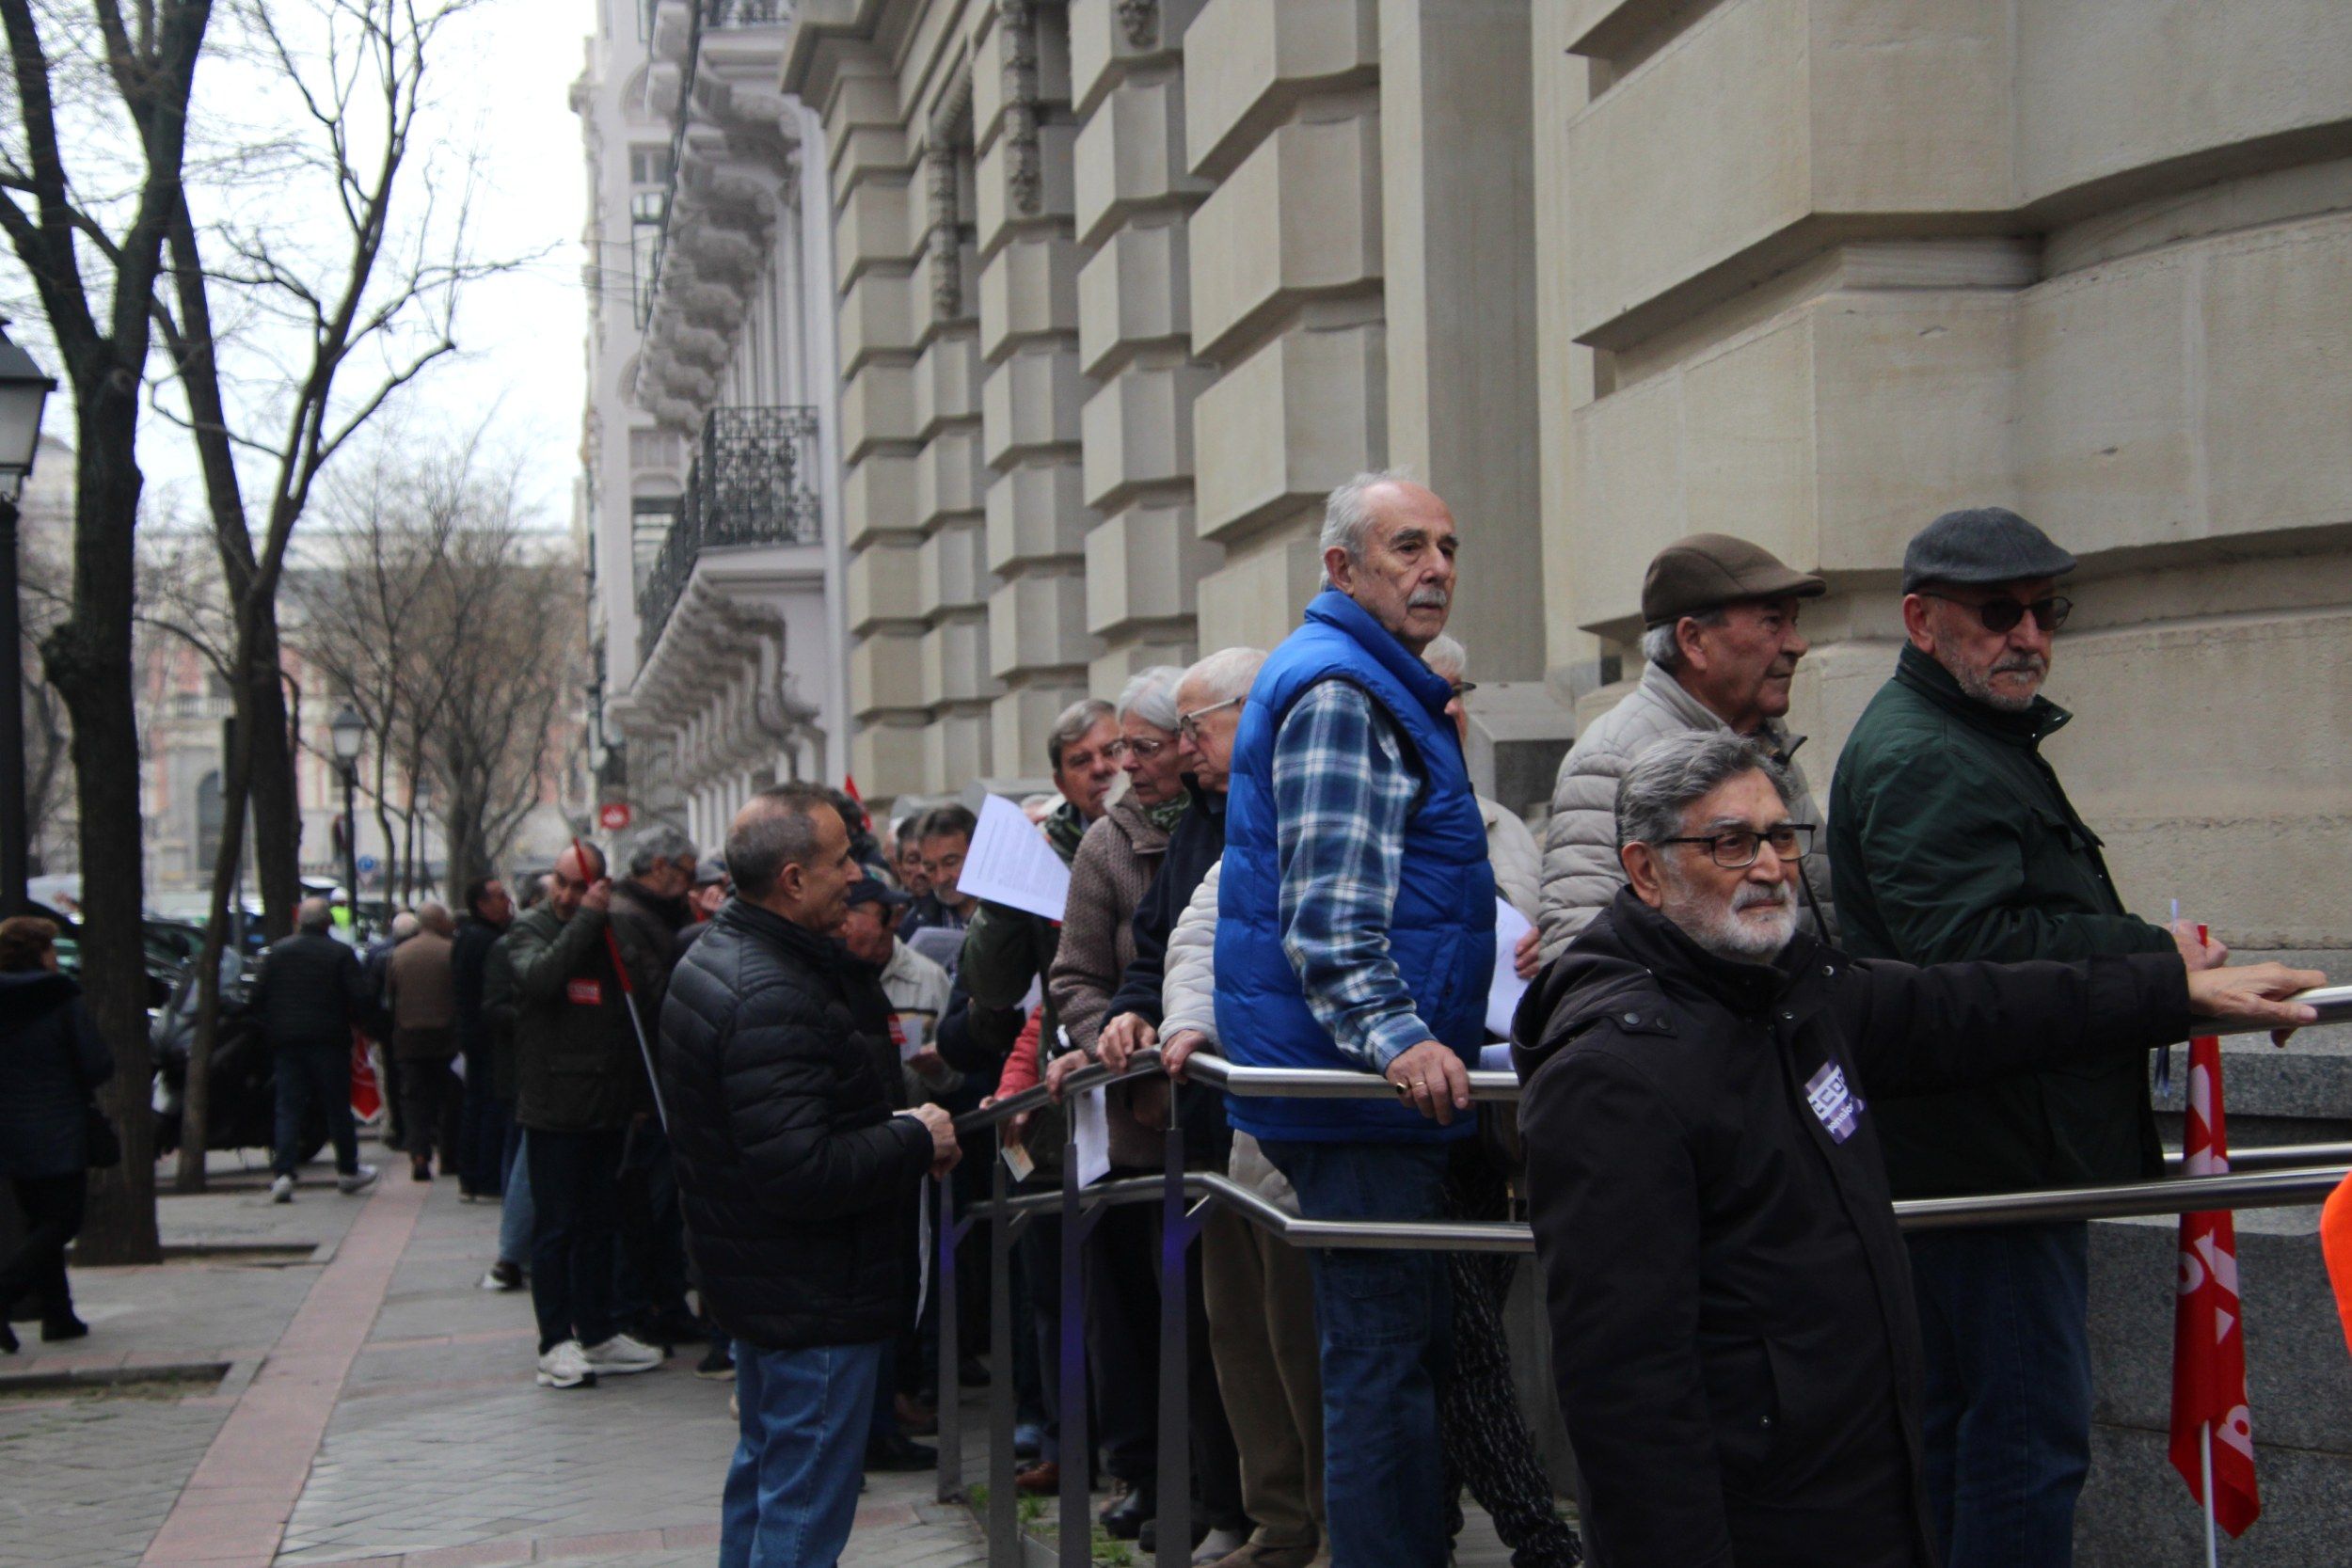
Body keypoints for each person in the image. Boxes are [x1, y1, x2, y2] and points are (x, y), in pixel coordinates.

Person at [1514, 730, 2321, 1566]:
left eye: (1782, 837)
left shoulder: (1789, 988)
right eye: (1729, 842)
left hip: (1869, 1495)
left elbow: (1972, 1006)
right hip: (1759, 1525)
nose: (1767, 866)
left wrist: (2169, 989)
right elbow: (1629, 1400)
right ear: (1645, 870)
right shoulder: (1612, 1076)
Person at [1827, 505, 2233, 1566]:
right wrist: (2159, 956)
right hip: (1989, 1157)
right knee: (2019, 1439)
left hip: (1998, 1141)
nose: (2030, 635)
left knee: (1985, 1434)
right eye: (1998, 611)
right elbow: (1970, 947)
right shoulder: (1924, 751)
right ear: (1921, 619)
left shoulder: (1961, 734)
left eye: (2044, 610)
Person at [1205, 470, 1492, 1566]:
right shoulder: (1345, 690)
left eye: (1447, 546)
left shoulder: (1375, 678)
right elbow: (1327, 921)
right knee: (1379, 1371)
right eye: (1406, 545)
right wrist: (1400, 1035)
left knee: (1392, 1361)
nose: (1435, 568)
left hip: (1366, 1089)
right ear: (1341, 567)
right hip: (1357, 1090)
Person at [659, 784, 961, 1568]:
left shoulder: (729, 957)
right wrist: (910, 1134)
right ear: (792, 878)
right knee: (799, 1504)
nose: (856, 875)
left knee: (768, 1475)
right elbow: (802, 1169)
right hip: (812, 1291)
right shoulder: (769, 990)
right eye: (839, 861)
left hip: (770, 1284)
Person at [1082, 647, 1264, 1548]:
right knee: (1214, 1325)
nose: (1180, 751)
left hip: (1273, 1108)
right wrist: (1126, 1015)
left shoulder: (1269, 805)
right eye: (1175, 733)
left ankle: (1286, 1516)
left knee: (1286, 1336)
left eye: (1193, 731)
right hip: (1199, 1117)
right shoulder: (1202, 818)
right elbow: (1160, 947)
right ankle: (1230, 1509)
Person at [1535, 532, 1831, 962]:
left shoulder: (1765, 739)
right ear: (1694, 641)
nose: (1797, 644)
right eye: (1772, 621)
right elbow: (1578, 946)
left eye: (1795, 621)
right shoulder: (1615, 757)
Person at [505, 842, 665, 1388]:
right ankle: (556, 1339)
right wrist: (588, 921)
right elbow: (542, 978)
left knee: (600, 1225)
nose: (569, 895)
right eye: (562, 883)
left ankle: (598, 1331)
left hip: (609, 1107)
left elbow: (639, 1002)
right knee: (558, 1228)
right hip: (554, 1108)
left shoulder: (615, 932)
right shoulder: (531, 928)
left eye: (583, 886)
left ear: (603, 885)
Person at [609, 824, 702, 1348]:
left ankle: (666, 1301)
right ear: (661, 867)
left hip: (663, 1086)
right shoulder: (629, 917)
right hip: (644, 1090)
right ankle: (638, 1305)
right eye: (685, 874)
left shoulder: (660, 914)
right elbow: (651, 999)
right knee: (646, 1206)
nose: (689, 886)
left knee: (667, 1208)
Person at [0, 916, 112, 1350]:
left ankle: (59, 1316)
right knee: (63, 1220)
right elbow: (97, 1064)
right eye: (50, 949)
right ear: (39, 954)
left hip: (9, 1128)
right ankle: (5, 1293)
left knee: (39, 1221)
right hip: (58, 1125)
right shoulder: (60, 998)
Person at [249, 897, 378, 1203]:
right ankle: (348, 1170)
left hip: (287, 1042)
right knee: (336, 1106)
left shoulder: (277, 953)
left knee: (288, 1107)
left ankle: (283, 1173)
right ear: (327, 923)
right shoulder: (339, 954)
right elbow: (359, 997)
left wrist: (274, 1026)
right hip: (329, 1041)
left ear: (299, 922)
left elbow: (256, 997)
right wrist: (364, 1026)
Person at [385, 902, 460, 1183]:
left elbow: (390, 998)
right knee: (448, 1098)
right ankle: (449, 1156)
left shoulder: (399, 954)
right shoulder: (450, 952)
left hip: (409, 1038)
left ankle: (418, 1154)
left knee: (414, 1100)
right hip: (446, 1038)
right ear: (440, 921)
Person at [453, 875, 516, 1202]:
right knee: (490, 1104)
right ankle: (487, 1177)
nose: (506, 901)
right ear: (482, 904)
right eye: (499, 896)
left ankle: (471, 1176)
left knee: (475, 1103)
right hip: (488, 1035)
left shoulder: (467, 936)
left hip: (472, 1032)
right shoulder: (488, 941)